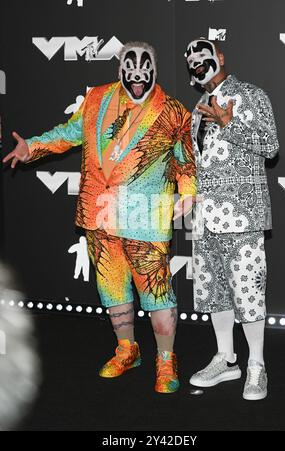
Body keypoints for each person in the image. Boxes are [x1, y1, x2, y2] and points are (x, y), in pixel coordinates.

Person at [3, 41, 197, 394]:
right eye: (130, 69)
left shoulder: (173, 111)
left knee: (156, 291)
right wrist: (31, 146)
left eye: (145, 70)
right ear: (119, 68)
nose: (138, 77)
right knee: (111, 287)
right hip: (99, 213)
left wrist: (188, 191)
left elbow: (185, 159)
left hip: (145, 216)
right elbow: (68, 134)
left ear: (154, 68)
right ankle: (127, 350)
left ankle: (165, 360)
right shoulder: (96, 100)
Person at [185, 38, 279, 400]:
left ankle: (256, 365)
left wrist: (229, 123)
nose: (196, 62)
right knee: (214, 292)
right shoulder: (198, 109)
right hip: (206, 218)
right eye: (189, 60)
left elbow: (271, 146)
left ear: (219, 57)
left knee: (249, 293)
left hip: (242, 216)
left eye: (202, 55)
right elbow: (203, 163)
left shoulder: (251, 96)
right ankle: (226, 360)